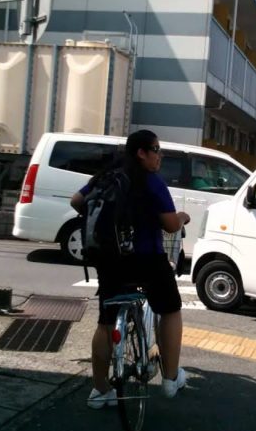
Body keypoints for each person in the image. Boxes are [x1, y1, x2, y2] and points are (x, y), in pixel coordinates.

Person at [70, 130, 192, 409]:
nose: (160, 156)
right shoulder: (151, 182)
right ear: (141, 152)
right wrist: (183, 217)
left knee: (105, 323)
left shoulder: (107, 178)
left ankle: (100, 390)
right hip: (147, 261)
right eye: (156, 150)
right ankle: (171, 378)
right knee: (170, 309)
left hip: (110, 261)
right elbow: (170, 225)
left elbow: (76, 201)